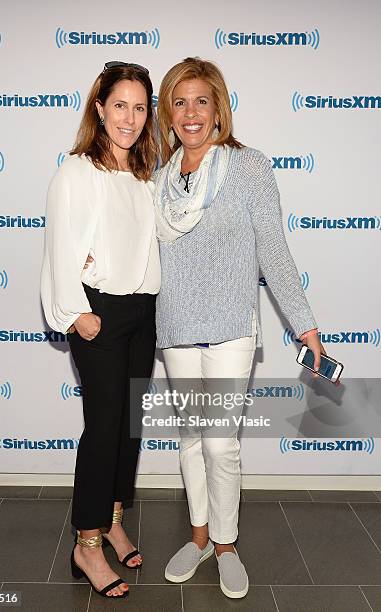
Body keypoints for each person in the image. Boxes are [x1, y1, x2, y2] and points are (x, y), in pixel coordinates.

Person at [154, 57, 324, 599]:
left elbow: (273, 250)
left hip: (230, 327)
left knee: (221, 443)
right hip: (176, 327)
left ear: (219, 108)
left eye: (201, 100)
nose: (191, 112)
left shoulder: (249, 166)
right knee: (189, 441)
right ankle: (198, 536)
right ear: (168, 113)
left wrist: (305, 325)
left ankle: (226, 544)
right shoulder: (160, 178)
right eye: (179, 102)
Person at [40, 61, 160, 599]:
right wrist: (73, 313)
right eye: (120, 105)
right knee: (103, 428)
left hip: (142, 313)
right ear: (99, 107)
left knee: (128, 427)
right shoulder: (77, 170)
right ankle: (86, 544)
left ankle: (112, 518)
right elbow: (60, 247)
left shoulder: (142, 175)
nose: (129, 118)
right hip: (100, 314)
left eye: (139, 107)